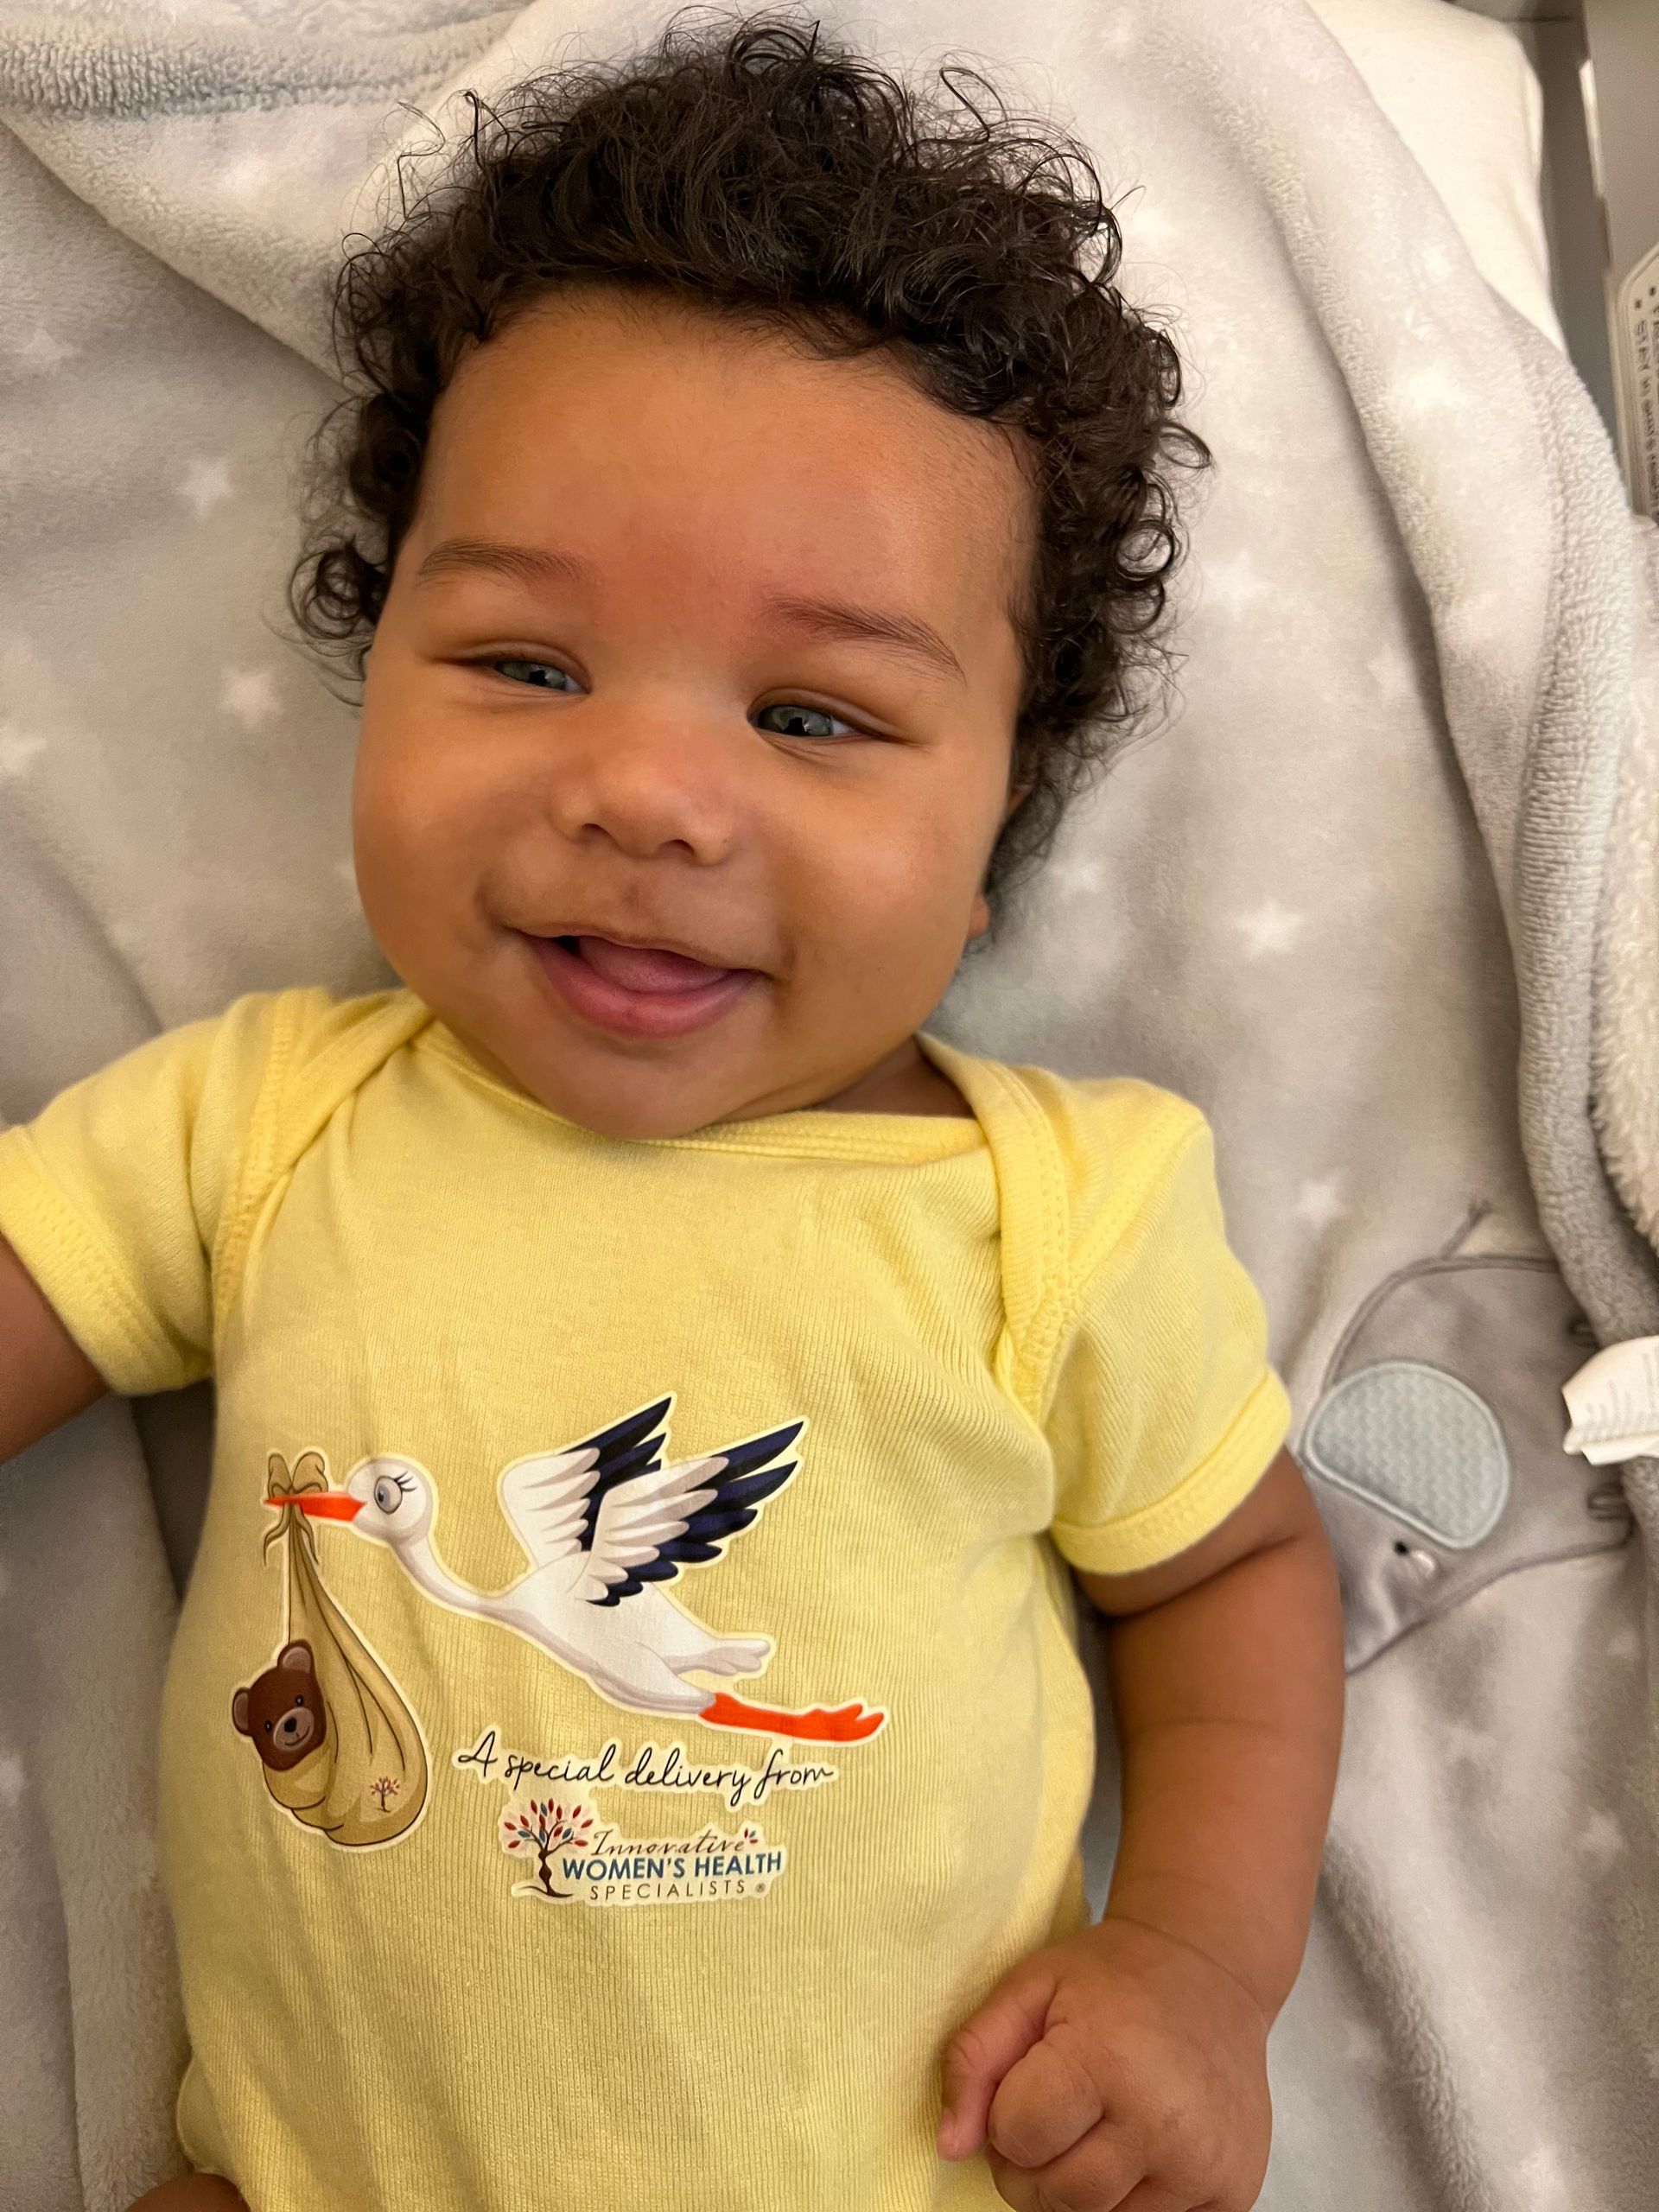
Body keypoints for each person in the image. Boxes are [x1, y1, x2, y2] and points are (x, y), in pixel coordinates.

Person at [0, 12, 1344, 2209]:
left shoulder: (1048, 1215)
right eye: (527, 665)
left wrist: (1198, 1961)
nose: (642, 792)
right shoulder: (260, 1126)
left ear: (998, 835)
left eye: (812, 713)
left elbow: (1236, 1583)